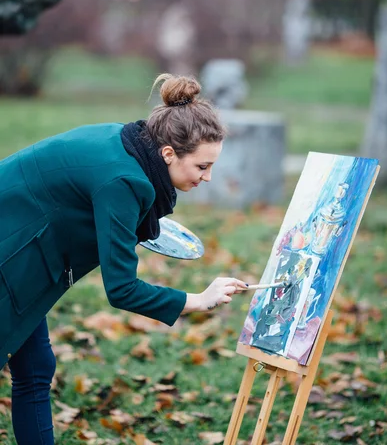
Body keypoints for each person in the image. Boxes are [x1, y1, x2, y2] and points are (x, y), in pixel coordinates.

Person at [0, 74, 248, 445]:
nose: (209, 177)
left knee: (35, 368)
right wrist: (196, 300)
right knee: (34, 369)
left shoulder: (130, 143)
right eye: (201, 166)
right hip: (10, 256)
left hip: (23, 252)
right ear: (168, 154)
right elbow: (121, 289)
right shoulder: (123, 181)